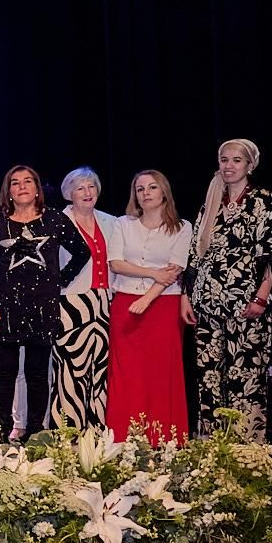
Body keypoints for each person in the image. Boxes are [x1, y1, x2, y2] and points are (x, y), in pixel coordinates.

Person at [183, 138, 272, 436]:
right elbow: (195, 255)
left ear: (249, 165)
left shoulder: (264, 202)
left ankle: (246, 447)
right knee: (210, 378)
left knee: (245, 376)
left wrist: (260, 297)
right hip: (207, 303)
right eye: (224, 160)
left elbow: (271, 255)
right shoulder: (211, 202)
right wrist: (186, 298)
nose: (229, 166)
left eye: (236, 160)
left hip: (245, 303)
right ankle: (213, 443)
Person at [0, 165, 90, 440]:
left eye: (27, 181)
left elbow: (81, 251)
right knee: (4, 376)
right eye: (15, 183)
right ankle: (0, 433)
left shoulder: (53, 220)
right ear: (8, 191)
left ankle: (34, 433)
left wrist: (59, 281)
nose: (21, 187)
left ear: (37, 187)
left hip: (42, 308)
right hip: (4, 308)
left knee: (38, 375)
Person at [108, 170, 193, 443]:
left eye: (152, 187)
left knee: (161, 373)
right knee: (127, 374)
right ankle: (123, 437)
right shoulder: (122, 224)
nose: (145, 193)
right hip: (125, 303)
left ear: (164, 192)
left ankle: (163, 438)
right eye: (140, 188)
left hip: (164, 307)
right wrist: (152, 273)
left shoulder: (182, 227)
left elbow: (175, 269)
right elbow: (116, 263)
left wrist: (147, 298)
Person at [52, 167, 119, 430]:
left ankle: (97, 428)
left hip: (104, 300)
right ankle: (68, 429)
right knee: (70, 369)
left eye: (91, 186)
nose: (87, 192)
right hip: (70, 302)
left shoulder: (112, 222)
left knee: (100, 368)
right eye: (80, 188)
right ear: (69, 193)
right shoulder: (58, 221)